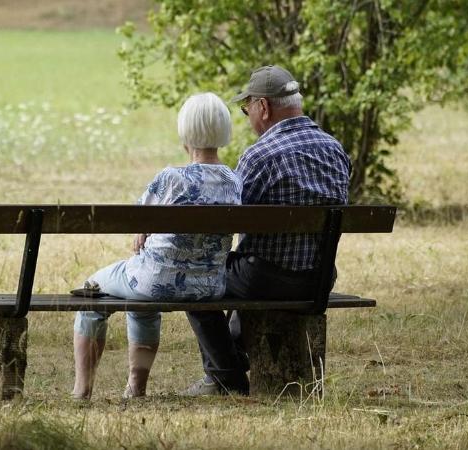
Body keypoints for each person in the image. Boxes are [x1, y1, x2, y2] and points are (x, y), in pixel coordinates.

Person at [181, 65, 352, 396]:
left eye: (247, 110)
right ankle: (233, 356)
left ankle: (225, 377)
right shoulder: (335, 150)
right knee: (244, 266)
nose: (248, 117)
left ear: (263, 106)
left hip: (266, 279)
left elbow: (228, 221)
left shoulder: (259, 156)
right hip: (318, 279)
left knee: (194, 277)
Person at [72, 92, 243, 400]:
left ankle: (82, 390)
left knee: (92, 289)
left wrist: (144, 232)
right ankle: (135, 387)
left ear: (185, 132)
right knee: (141, 295)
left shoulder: (171, 178)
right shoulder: (234, 181)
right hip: (209, 287)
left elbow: (137, 226)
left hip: (155, 282)